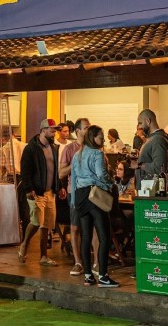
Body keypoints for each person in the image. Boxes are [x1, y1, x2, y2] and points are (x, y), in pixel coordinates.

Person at [70, 125, 119, 288]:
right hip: (95, 195)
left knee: (86, 236)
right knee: (104, 236)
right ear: (93, 137)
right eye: (100, 136)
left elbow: (74, 178)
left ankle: (88, 276)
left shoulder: (77, 154)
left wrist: (74, 202)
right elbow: (101, 174)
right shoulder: (97, 153)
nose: (103, 139)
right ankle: (103, 276)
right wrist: (111, 182)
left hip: (80, 196)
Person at [18, 118, 65, 267]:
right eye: (52, 131)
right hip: (37, 191)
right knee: (37, 221)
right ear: (43, 130)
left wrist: (60, 186)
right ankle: (24, 244)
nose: (54, 134)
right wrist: (28, 188)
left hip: (50, 191)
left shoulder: (54, 147)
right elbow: (25, 171)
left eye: (55, 131)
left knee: (47, 225)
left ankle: (44, 256)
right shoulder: (31, 148)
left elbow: (54, 170)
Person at [58, 117, 89, 277]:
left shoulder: (93, 147)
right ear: (78, 131)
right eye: (86, 127)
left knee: (92, 227)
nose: (88, 130)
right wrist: (75, 163)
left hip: (91, 192)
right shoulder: (69, 149)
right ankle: (78, 262)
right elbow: (61, 173)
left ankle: (95, 262)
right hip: (75, 192)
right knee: (75, 227)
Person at [136, 109, 168, 190]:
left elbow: (160, 168)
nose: (139, 127)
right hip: (147, 191)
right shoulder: (153, 139)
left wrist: (139, 165)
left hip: (152, 192)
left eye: (140, 123)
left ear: (148, 121)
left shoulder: (158, 140)